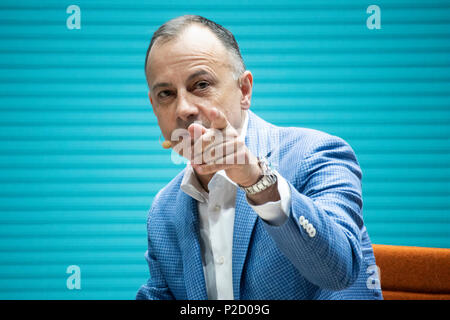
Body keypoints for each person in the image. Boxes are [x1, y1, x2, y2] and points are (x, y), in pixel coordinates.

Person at [136, 15, 383, 300]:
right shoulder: (163, 211)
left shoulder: (317, 154)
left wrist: (256, 179)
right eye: (166, 93)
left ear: (244, 90)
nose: (183, 109)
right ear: (154, 107)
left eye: (201, 85)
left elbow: (340, 271)